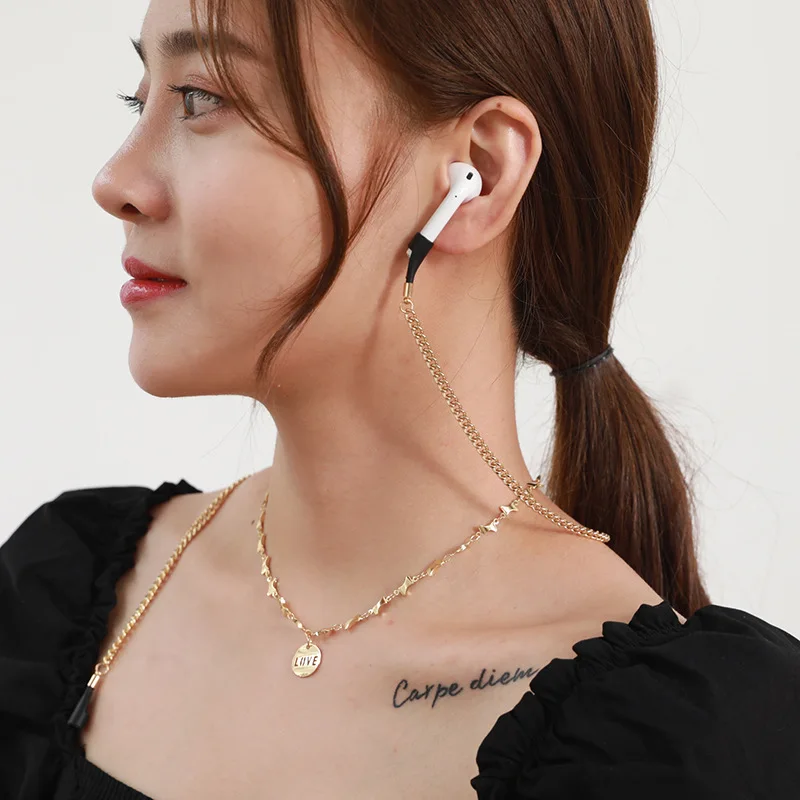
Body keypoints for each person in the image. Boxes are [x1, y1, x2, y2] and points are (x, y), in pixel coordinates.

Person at [2, 0, 799, 797]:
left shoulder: (684, 745)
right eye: (140, 99)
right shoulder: (53, 595)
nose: (115, 182)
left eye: (203, 98)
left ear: (476, 176)